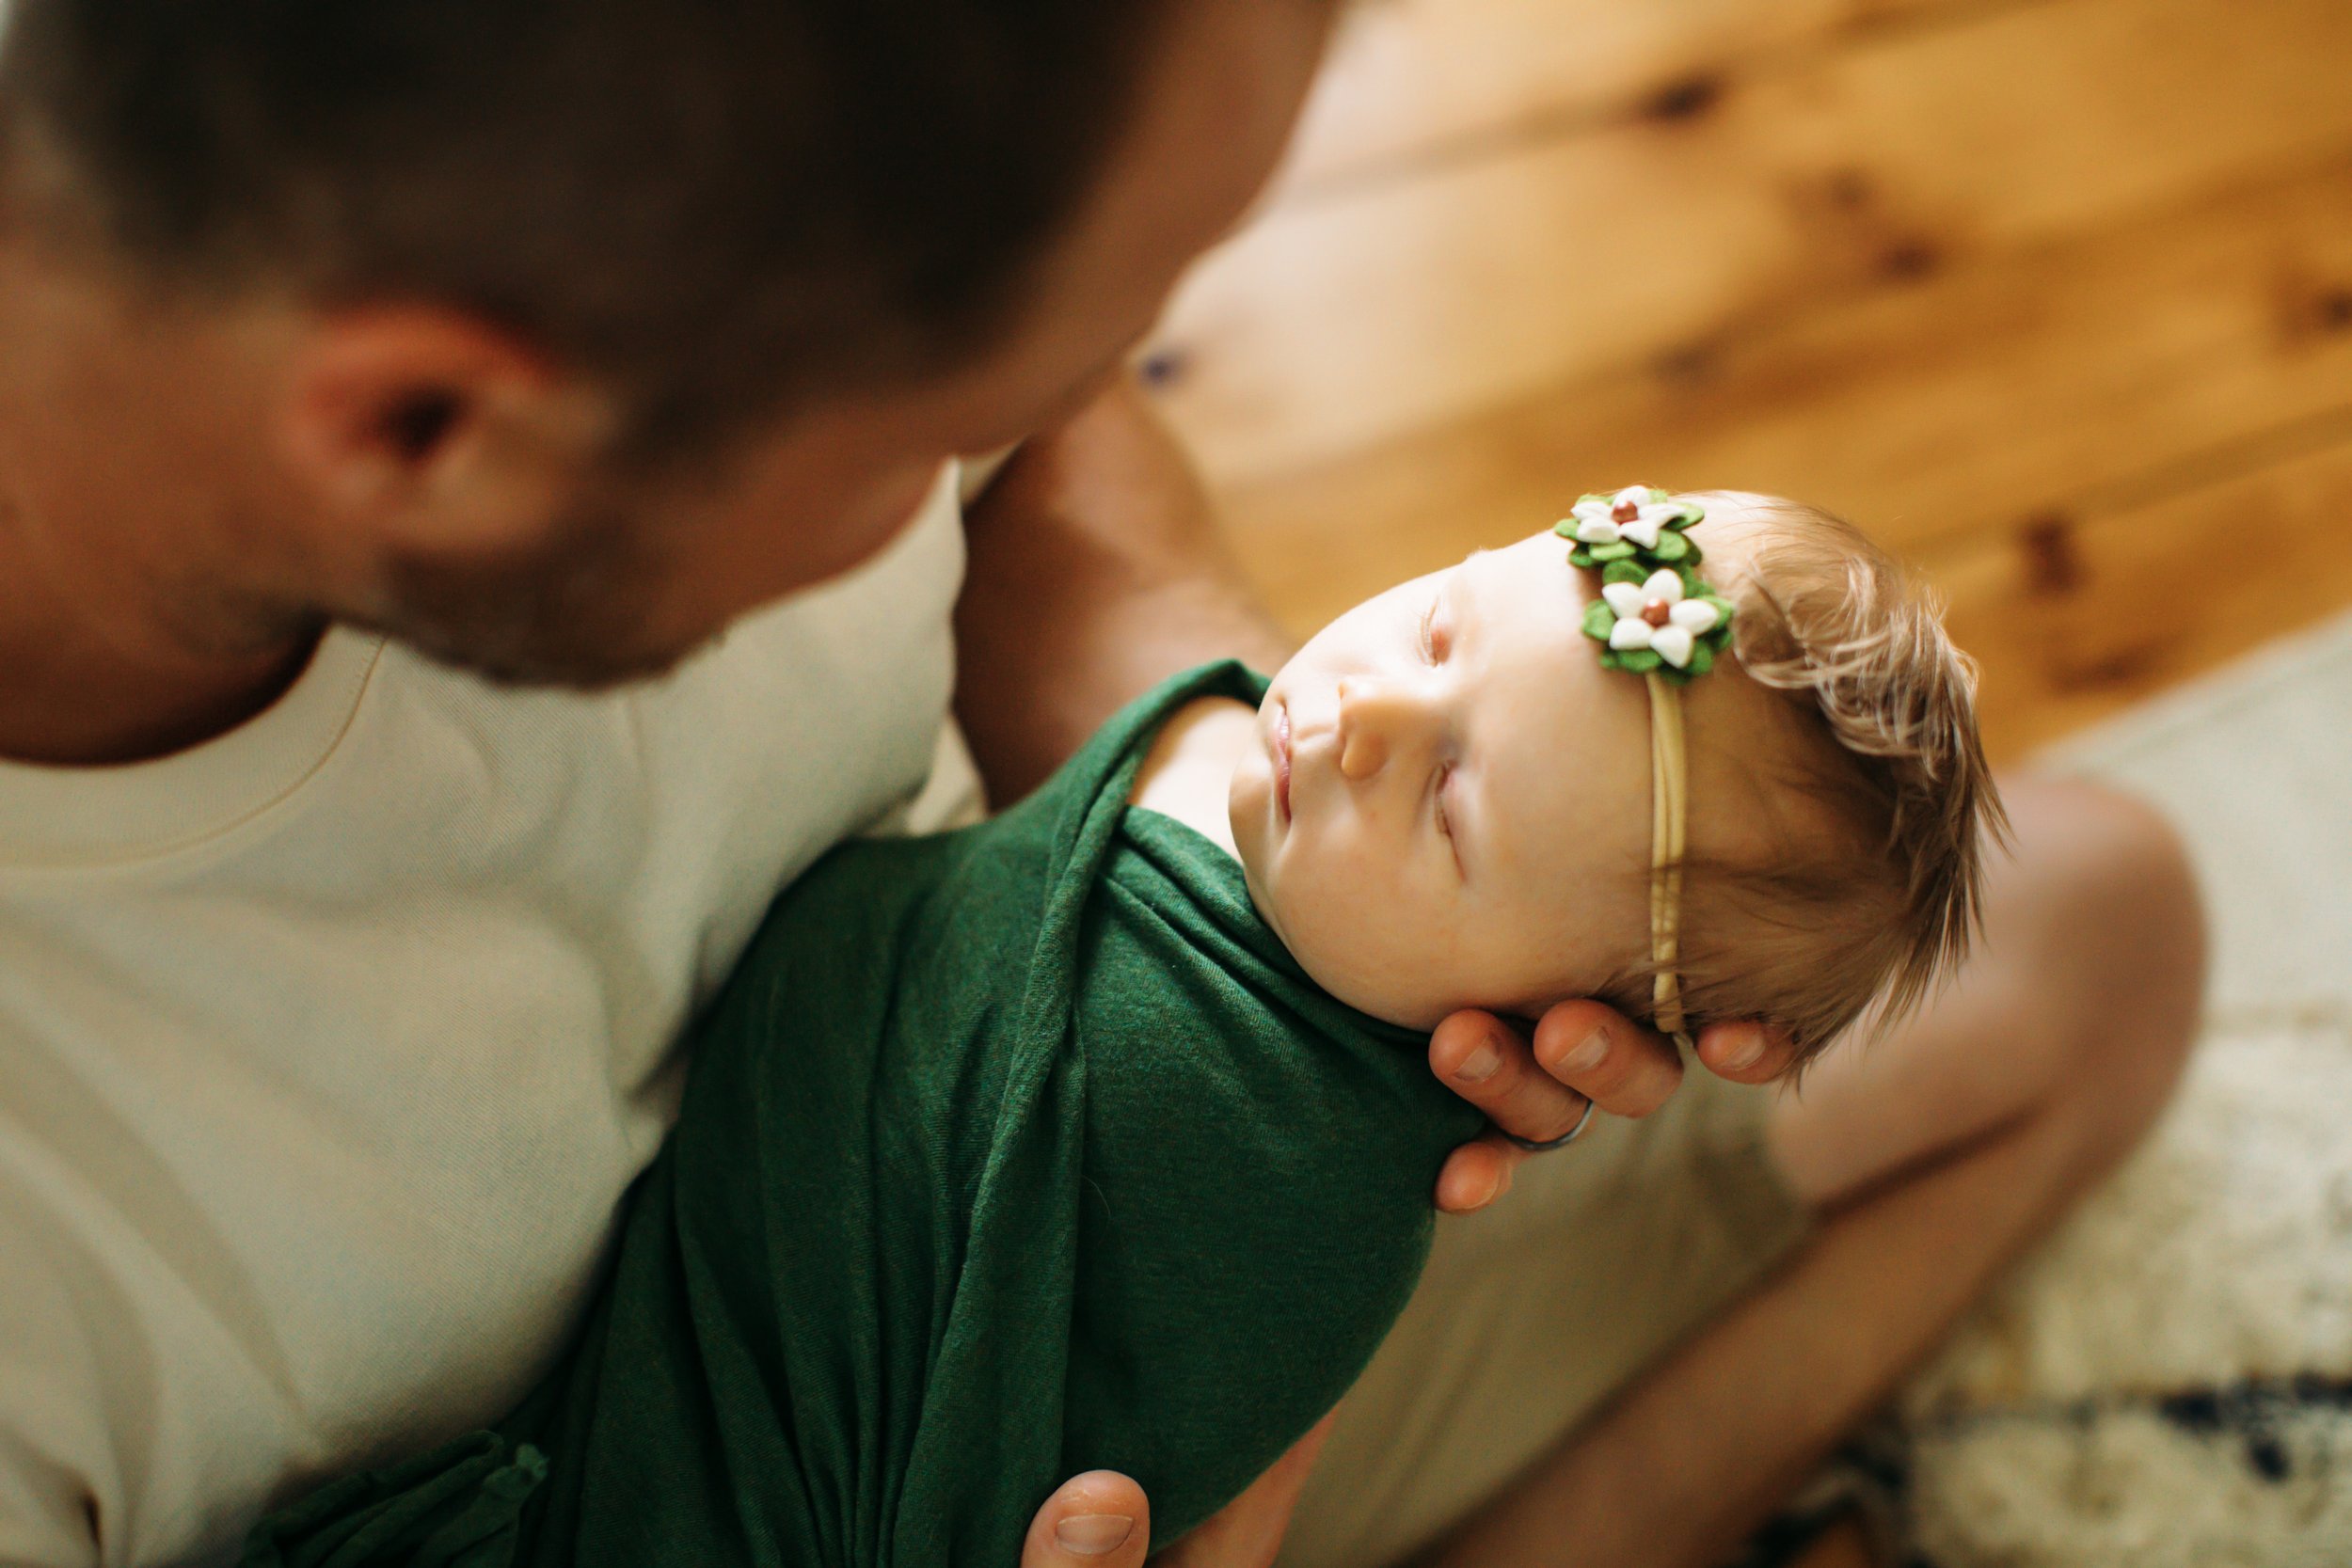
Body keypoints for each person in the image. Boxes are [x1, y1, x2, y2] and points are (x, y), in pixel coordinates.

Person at [0, 0, 2204, 1564]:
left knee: (2094, 926)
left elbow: (1054, 444)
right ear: (428, 434)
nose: (1060, 409)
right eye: (938, 416)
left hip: (1118, 1208)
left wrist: (1212, 795)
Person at [239, 493, 2006, 1567]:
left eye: (1455, 807)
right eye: (1447, 619)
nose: (1365, 710)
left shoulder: (1269, 1159)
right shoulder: (1275, 838)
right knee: (2116, 930)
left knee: (2117, 911)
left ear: (1573, 1018)